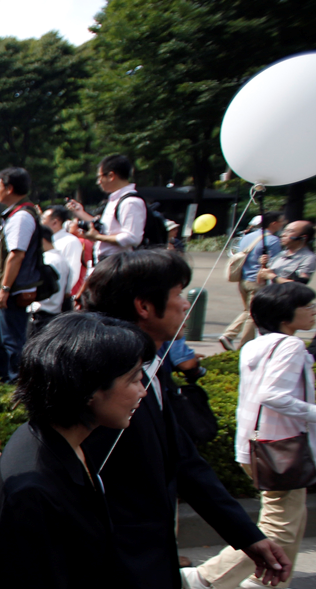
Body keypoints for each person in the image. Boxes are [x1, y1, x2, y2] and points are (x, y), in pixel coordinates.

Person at [79, 250, 289, 589]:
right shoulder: (101, 383)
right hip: (115, 562)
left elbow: (185, 459)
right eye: (177, 294)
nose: (185, 305)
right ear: (144, 306)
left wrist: (247, 536)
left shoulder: (152, 367)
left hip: (153, 557)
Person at [0, 312, 151, 588]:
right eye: (133, 379)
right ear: (89, 388)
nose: (143, 391)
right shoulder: (34, 491)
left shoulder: (59, 440)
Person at [185, 282, 315, 589]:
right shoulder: (291, 345)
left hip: (255, 446)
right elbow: (273, 394)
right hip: (281, 448)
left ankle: (270, 582)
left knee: (292, 520)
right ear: (285, 314)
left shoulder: (256, 344)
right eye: (307, 306)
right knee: (279, 527)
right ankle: (206, 577)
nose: (312, 312)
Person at [0, 167, 43, 383]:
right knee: (5, 342)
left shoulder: (21, 216)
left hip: (11, 294)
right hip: (8, 293)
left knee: (13, 344)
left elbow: (16, 255)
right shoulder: (17, 213)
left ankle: (17, 388)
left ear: (9, 188)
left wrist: (4, 289)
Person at [220, 212, 286, 351]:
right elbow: (275, 264)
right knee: (253, 314)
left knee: (248, 311)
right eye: (281, 221)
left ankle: (229, 335)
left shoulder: (248, 237)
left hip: (243, 279)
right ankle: (242, 345)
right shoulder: (273, 241)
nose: (283, 223)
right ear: (273, 223)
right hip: (258, 281)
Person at [66, 154, 148, 260]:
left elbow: (132, 238)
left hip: (119, 263)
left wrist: (97, 237)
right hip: (110, 262)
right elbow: (104, 228)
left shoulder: (130, 202)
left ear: (111, 176)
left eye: (100, 177)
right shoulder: (116, 199)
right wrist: (80, 213)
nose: (98, 182)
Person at [28, 224, 69, 337]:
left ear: (42, 239)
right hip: (54, 312)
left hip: (41, 313)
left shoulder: (47, 259)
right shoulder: (62, 259)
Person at [258, 221, 315, 286]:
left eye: (290, 231)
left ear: (303, 237)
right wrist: (263, 265)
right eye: (284, 231)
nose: (283, 234)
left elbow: (300, 285)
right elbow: (260, 281)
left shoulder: (309, 258)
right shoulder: (281, 254)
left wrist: (272, 277)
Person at [42, 205, 83, 294]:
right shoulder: (48, 240)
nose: (40, 222)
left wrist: (63, 295)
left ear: (55, 222)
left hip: (59, 298)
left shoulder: (70, 241)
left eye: (43, 219)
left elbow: (73, 272)